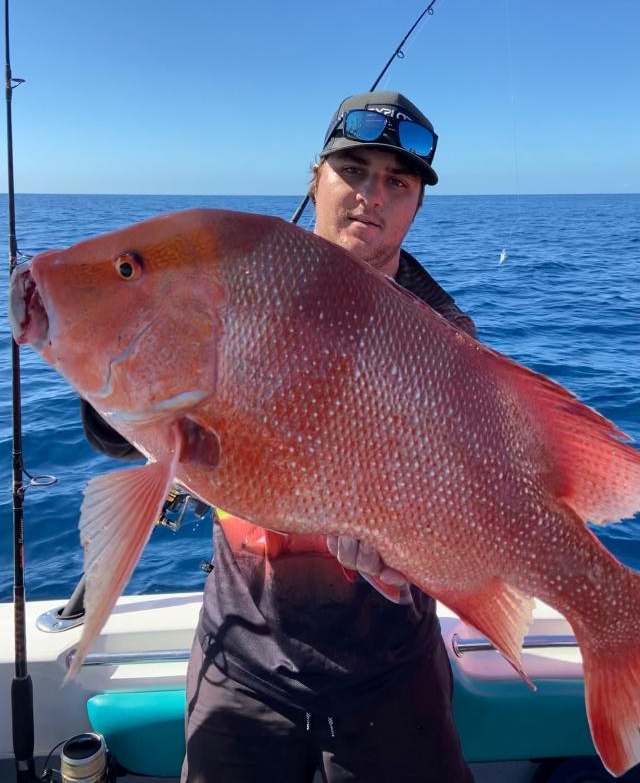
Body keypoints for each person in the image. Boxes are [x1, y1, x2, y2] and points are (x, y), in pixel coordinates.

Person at [81, 91, 476, 782]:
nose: (371, 196)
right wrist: (95, 359)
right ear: (315, 178)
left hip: (390, 667)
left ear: (417, 204)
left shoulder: (441, 337)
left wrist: (406, 542)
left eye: (398, 182)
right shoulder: (232, 281)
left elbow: (461, 497)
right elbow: (122, 437)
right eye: (353, 170)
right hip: (242, 660)